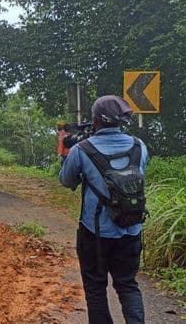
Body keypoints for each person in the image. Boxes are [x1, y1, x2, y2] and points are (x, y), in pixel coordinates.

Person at [59, 95, 147, 323]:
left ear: (96, 120)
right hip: (131, 230)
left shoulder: (82, 149)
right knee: (128, 285)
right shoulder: (139, 146)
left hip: (95, 233)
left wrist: (67, 154)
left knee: (96, 289)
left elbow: (67, 181)